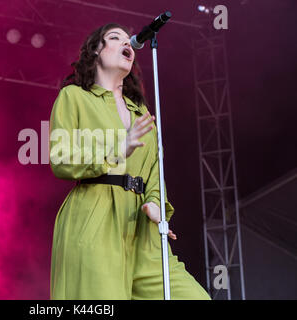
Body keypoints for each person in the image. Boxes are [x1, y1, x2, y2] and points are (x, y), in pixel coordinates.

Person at [48, 23, 211, 300]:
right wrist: (116, 150)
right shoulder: (74, 97)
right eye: (115, 37)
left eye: (129, 40)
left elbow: (155, 171)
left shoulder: (142, 114)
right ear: (96, 51)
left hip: (141, 230)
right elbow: (60, 158)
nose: (127, 43)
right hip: (94, 218)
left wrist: (155, 203)